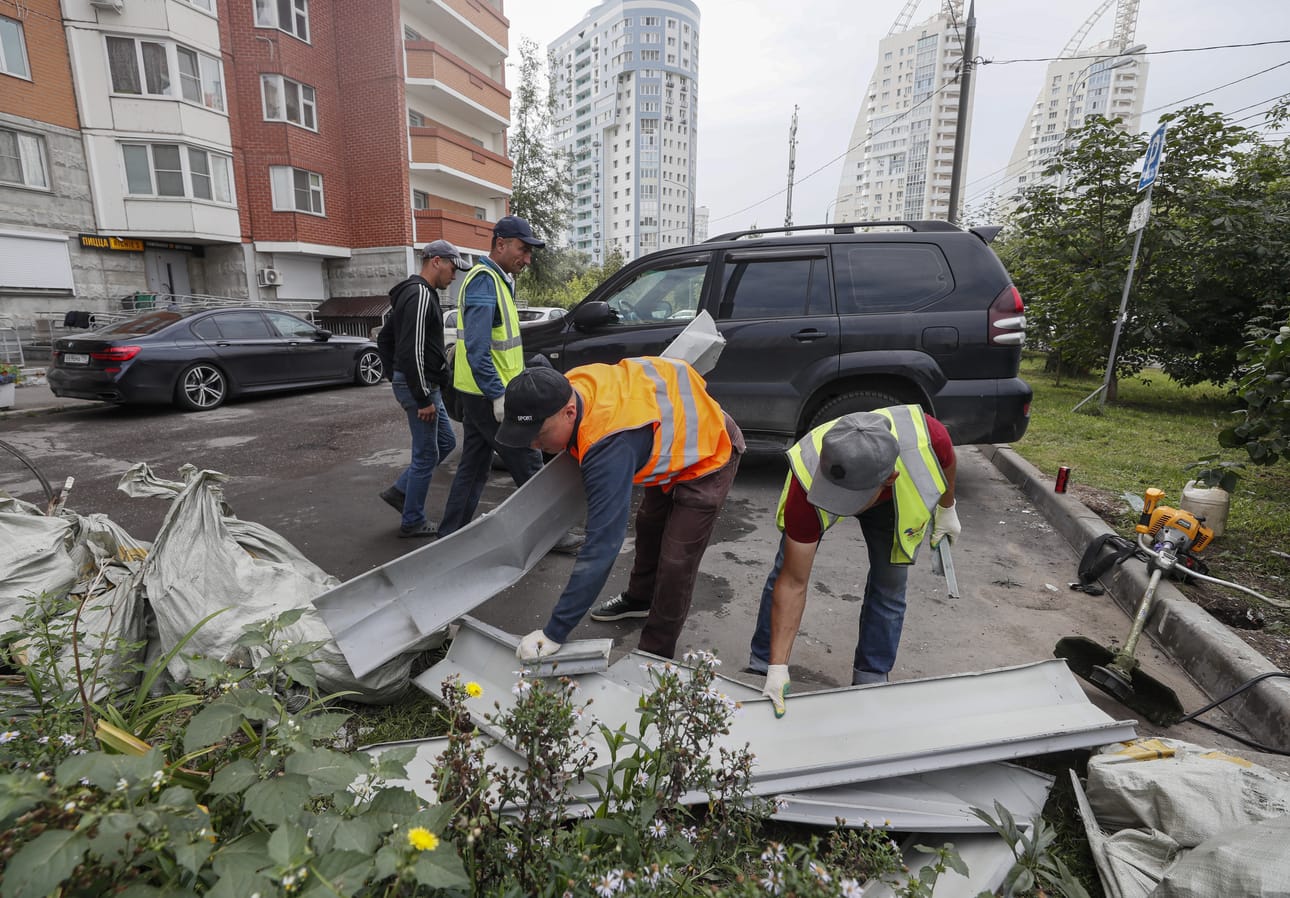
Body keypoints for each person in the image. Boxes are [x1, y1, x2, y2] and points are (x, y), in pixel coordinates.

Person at [495, 359, 745, 662]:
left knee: (676, 561)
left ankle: (654, 654)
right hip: (668, 439)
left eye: (540, 435)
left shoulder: (609, 445)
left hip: (708, 452)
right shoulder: (569, 384)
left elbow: (602, 545)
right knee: (649, 525)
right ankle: (639, 599)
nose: (534, 445)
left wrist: (554, 632)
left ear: (569, 412)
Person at [747, 406, 960, 717]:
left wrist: (947, 506)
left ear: (890, 478)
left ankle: (870, 680)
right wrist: (778, 667)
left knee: (890, 584)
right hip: (816, 492)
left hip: (892, 503)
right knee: (787, 569)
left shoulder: (929, 438)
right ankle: (765, 665)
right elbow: (794, 582)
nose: (841, 507)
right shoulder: (807, 480)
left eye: (849, 499)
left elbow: (948, 461)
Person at [438, 216, 579, 552]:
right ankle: (553, 534)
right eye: (523, 249)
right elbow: (476, 347)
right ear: (500, 244)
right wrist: (499, 395)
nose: (527, 258)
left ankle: (450, 534)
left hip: (481, 395)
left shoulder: (498, 281)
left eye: (529, 251)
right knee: (529, 464)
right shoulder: (485, 281)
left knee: (473, 466)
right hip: (491, 396)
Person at [376, 239, 468, 538]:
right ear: (437, 261)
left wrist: (396, 375)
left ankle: (401, 492)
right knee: (426, 455)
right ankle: (412, 519)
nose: (454, 276)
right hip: (423, 389)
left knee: (445, 442)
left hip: (423, 385)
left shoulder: (415, 293)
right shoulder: (418, 295)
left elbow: (384, 340)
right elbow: (411, 349)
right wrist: (420, 395)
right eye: (453, 268)